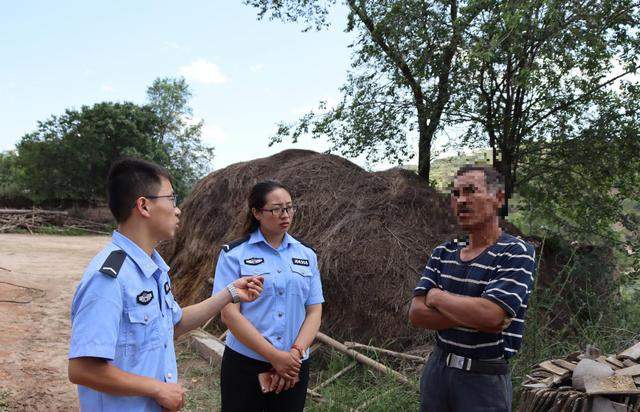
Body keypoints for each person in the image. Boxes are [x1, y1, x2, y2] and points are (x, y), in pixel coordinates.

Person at [68, 157, 264, 411]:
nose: (178, 209)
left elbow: (174, 323)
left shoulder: (153, 269)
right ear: (144, 206)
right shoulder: (109, 278)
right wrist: (157, 388)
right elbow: (82, 369)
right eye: (171, 199)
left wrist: (229, 293)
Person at [409, 164, 536, 412]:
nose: (462, 200)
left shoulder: (515, 252)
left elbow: (490, 316)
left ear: (498, 198)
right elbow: (416, 314)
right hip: (437, 372)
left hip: (484, 380)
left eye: (471, 191)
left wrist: (436, 296)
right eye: (456, 194)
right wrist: (475, 311)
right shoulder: (443, 252)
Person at [212, 180, 324, 412]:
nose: (285, 215)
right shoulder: (234, 254)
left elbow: (314, 310)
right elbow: (229, 314)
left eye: (290, 207)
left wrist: (293, 354)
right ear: (256, 212)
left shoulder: (307, 254)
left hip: (294, 365)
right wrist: (274, 356)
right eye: (276, 209)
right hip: (245, 363)